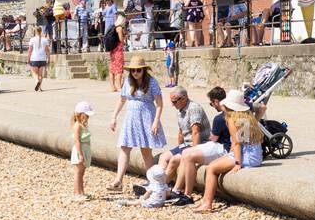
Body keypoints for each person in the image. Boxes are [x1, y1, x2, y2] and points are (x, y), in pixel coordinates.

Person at [192, 89, 263, 213]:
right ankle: (204, 200)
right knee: (216, 163)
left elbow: (236, 143)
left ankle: (207, 203)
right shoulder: (247, 116)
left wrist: (237, 163)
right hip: (255, 155)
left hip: (245, 156)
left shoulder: (232, 120)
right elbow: (242, 141)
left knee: (211, 168)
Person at [107, 51, 165, 190]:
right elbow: (122, 100)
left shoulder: (152, 82)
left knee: (146, 151)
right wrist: (114, 116)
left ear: (143, 70)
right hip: (131, 118)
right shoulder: (128, 81)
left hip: (146, 118)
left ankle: (153, 182)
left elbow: (159, 103)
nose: (135, 73)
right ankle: (118, 181)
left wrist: (156, 121)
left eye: (138, 70)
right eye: (133, 70)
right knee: (124, 147)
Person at [170, 87, 229, 201]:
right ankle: (177, 190)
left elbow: (213, 138)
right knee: (186, 153)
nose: (212, 106)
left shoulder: (219, 118)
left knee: (189, 157)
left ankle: (187, 195)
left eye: (211, 104)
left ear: (216, 101)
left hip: (223, 148)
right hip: (224, 147)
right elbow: (262, 107)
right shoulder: (243, 113)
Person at [158, 86, 211, 193]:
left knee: (173, 160)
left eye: (174, 102)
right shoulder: (180, 109)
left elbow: (196, 133)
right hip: (186, 144)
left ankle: (160, 188)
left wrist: (193, 153)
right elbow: (181, 132)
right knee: (164, 156)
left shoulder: (194, 108)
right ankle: (157, 183)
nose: (173, 105)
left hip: (198, 144)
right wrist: (179, 147)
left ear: (183, 98)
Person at [70, 100, 95, 202]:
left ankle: (81, 192)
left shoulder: (84, 124)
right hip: (79, 151)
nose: (88, 117)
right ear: (81, 115)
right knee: (78, 172)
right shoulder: (77, 125)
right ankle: (77, 193)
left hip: (85, 150)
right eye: (86, 115)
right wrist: (80, 154)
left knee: (81, 172)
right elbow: (77, 141)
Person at [104, 8, 126, 92]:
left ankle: (112, 87)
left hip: (113, 50)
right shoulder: (119, 28)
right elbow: (121, 39)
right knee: (119, 69)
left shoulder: (113, 27)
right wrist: (124, 40)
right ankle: (119, 86)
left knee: (112, 69)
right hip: (118, 51)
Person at [26, 25, 50, 92]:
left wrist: (28, 58)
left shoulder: (32, 39)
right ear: (41, 31)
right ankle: (40, 88)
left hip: (34, 58)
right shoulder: (45, 40)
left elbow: (30, 50)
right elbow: (47, 51)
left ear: (35, 31)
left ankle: (37, 81)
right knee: (40, 74)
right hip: (43, 58)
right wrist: (49, 59)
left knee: (34, 73)